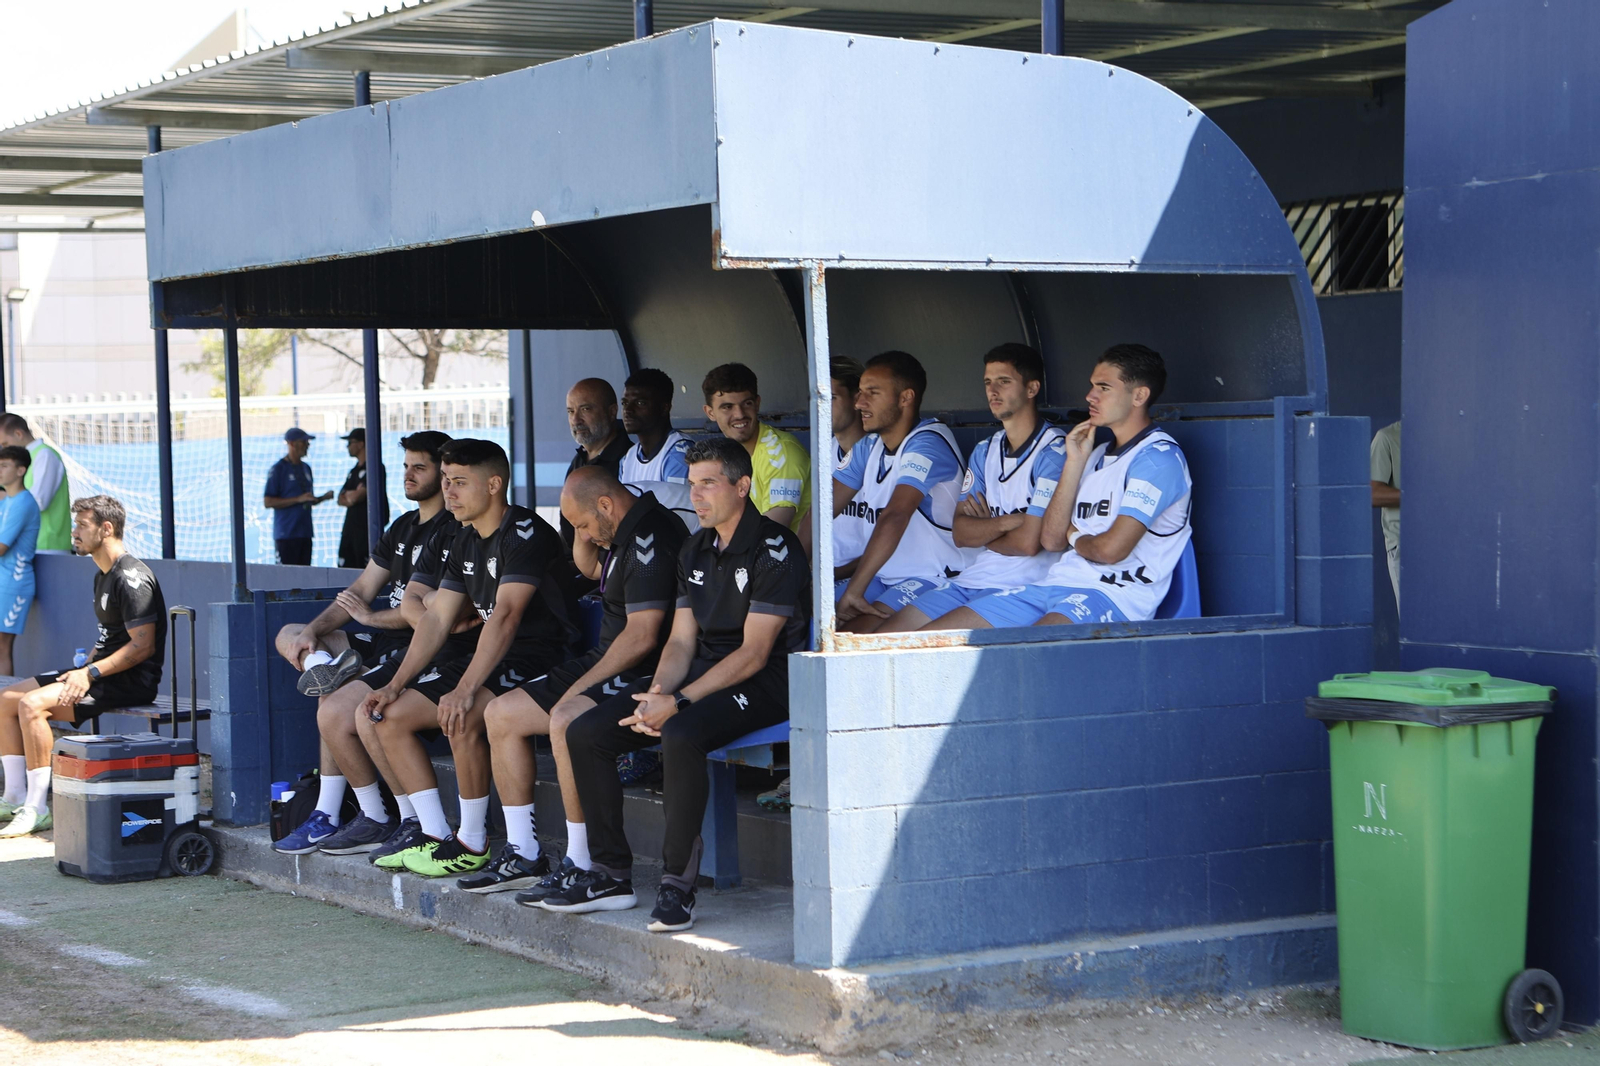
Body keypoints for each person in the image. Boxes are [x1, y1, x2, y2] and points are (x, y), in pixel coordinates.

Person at [551, 437, 809, 931]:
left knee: (681, 732)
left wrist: (681, 701)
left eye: (708, 484)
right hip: (700, 674)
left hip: (767, 680)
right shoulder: (694, 547)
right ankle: (609, 874)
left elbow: (754, 653)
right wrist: (658, 693)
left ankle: (676, 887)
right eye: (692, 485)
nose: (697, 497)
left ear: (742, 485)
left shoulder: (775, 548)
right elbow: (680, 642)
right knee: (587, 731)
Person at [458, 467, 685, 896]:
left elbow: (641, 637)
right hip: (606, 658)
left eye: (582, 524)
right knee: (500, 713)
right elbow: (591, 567)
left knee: (565, 717)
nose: (581, 533)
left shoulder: (650, 536)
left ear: (606, 505)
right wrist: (586, 531)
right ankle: (523, 853)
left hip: (646, 670)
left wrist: (580, 688)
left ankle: (583, 862)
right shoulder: (620, 527)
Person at [361, 439, 569, 878]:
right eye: (446, 481)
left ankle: (483, 842)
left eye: (459, 482)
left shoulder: (525, 533)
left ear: (494, 484)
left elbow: (507, 617)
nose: (448, 492)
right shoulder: (465, 538)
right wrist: (395, 684)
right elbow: (436, 620)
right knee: (390, 714)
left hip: (539, 656)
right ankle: (438, 835)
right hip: (491, 655)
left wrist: (464, 688)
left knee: (463, 710)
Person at [269, 431, 458, 855]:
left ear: (444, 474)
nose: (408, 475)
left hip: (416, 649)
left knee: (333, 707)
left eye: (419, 468)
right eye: (406, 466)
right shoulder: (403, 526)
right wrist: (312, 632)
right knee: (290, 635)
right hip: (376, 642)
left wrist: (370, 617)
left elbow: (432, 616)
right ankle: (322, 667)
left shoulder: (452, 530)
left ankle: (370, 815)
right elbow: (361, 587)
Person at [937, 344, 1192, 630]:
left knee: (1026, 652)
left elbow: (1110, 551)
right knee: (936, 640)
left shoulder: (1158, 459)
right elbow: (1052, 539)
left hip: (1113, 594)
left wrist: (1074, 536)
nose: (1090, 396)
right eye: (1092, 386)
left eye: (1104, 387)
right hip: (1055, 584)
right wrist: (1074, 461)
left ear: (1139, 395)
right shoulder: (1092, 454)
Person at [0, 496, 165, 836]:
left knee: (31, 706)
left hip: (130, 680)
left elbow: (142, 646)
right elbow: (112, 636)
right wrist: (86, 662)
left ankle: (37, 807)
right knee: (6, 700)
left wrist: (89, 673)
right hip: (98, 671)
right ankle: (14, 794)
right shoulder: (102, 574)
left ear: (106, 529)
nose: (73, 532)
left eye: (81, 526)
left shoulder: (132, 577)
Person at [876, 344, 1065, 632]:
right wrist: (1010, 522)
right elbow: (962, 534)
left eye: (1004, 381)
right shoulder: (985, 450)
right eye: (988, 382)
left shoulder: (1054, 451)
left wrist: (987, 531)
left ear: (1031, 388)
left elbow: (1029, 543)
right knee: (885, 637)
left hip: (1023, 584)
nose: (993, 391)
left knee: (922, 643)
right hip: (974, 577)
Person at [832, 350, 972, 633]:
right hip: (885, 576)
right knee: (799, 610)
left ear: (905, 398)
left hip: (934, 576)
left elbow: (895, 515)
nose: (859, 403)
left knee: (853, 635)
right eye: (859, 393)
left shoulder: (927, 443)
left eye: (872, 393)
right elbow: (821, 512)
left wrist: (855, 590)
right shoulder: (868, 447)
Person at [700, 363, 811, 533]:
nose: (739, 414)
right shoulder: (724, 455)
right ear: (710, 412)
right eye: (727, 407)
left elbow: (773, 531)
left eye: (747, 403)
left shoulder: (781, 452)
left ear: (757, 404)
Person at [0, 414, 69, 553]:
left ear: (18, 434)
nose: (4, 449)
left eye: (5, 444)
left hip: (47, 547)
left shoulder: (45, 455)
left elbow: (39, 501)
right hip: (28, 548)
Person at [264, 427, 333, 565]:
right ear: (291, 444)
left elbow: (307, 500)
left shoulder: (306, 468)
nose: (308, 445)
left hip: (305, 532)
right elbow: (268, 501)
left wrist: (322, 498)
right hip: (287, 534)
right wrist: (297, 499)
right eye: (304, 442)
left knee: (305, 577)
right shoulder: (279, 469)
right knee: (286, 578)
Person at [0, 446, 40, 676]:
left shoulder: (24, 502)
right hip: (3, 581)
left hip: (14, 584)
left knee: (3, 647)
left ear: (21, 470)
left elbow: (2, 548)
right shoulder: (6, 502)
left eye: (4, 466)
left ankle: (4, 705)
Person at [618, 368, 692, 486]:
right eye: (624, 403)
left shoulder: (679, 454)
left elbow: (676, 504)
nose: (628, 410)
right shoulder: (628, 459)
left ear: (664, 408)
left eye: (640, 403)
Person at [337, 427, 388, 570]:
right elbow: (340, 499)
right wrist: (350, 496)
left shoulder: (376, 468)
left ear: (360, 444)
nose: (347, 446)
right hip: (350, 530)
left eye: (350, 442)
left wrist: (352, 496)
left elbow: (356, 497)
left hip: (366, 531)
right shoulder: (353, 471)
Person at [1370, 420, 1401, 614]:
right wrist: (1418, 497)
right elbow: (1372, 494)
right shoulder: (1386, 437)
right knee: (1414, 622)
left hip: (1444, 542)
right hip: (1403, 544)